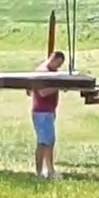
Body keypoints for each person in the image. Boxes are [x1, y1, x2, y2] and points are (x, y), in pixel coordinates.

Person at [29, 51, 65, 179]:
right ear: (53, 59)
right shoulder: (43, 72)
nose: (58, 67)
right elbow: (42, 92)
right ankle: (41, 172)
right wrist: (59, 86)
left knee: (49, 141)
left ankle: (49, 170)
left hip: (48, 112)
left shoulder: (52, 72)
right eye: (58, 63)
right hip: (41, 112)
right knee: (43, 142)